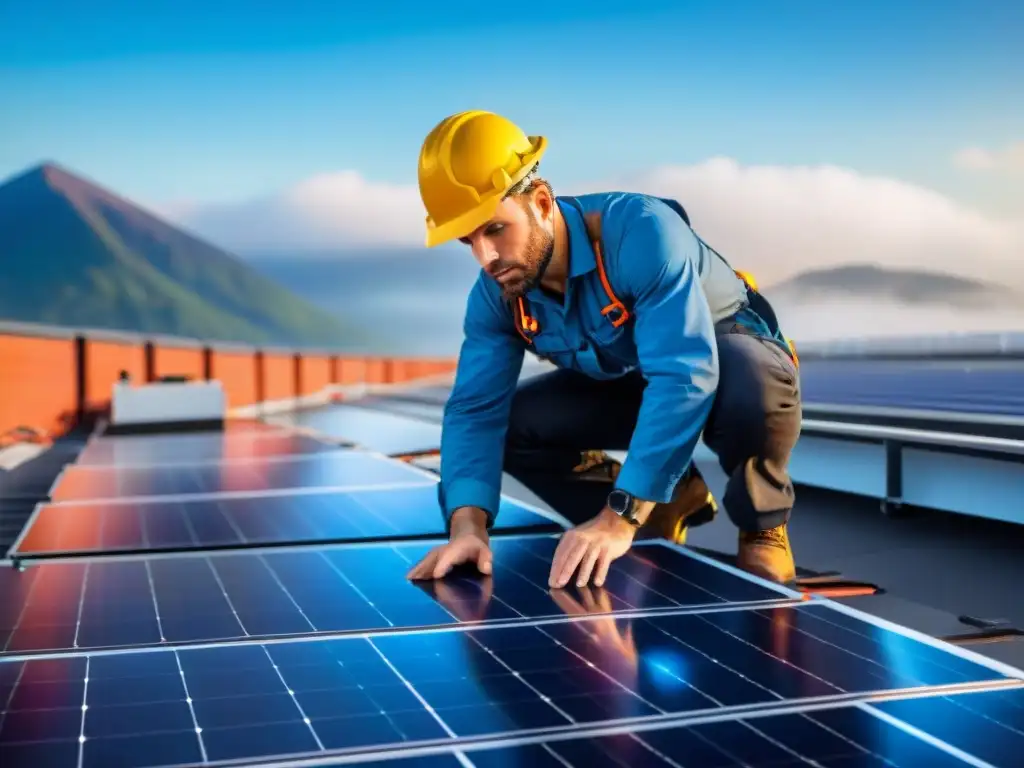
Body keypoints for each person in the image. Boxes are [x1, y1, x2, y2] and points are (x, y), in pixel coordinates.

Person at [406, 110, 801, 589]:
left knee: (749, 375)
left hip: (718, 354)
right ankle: (670, 500)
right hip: (630, 375)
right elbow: (474, 410)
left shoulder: (641, 233)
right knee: (511, 424)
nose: (484, 258)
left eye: (494, 229)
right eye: (466, 240)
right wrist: (468, 528)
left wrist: (620, 517)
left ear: (542, 202)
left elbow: (685, 375)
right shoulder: (497, 293)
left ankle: (763, 527)